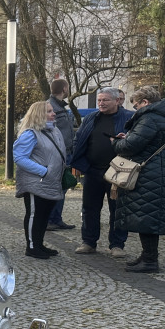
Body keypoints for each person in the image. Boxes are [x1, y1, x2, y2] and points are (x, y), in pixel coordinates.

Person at [111, 86, 165, 273]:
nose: (135, 108)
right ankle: (146, 256)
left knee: (145, 217)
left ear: (145, 102)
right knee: (148, 216)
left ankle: (150, 260)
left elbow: (131, 145)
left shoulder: (150, 118)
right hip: (161, 172)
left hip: (149, 175)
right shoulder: (164, 116)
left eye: (136, 105)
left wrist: (117, 143)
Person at [69, 87, 133, 257]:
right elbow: (79, 139)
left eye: (105, 100)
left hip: (118, 172)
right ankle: (89, 242)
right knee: (90, 208)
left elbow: (136, 141)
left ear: (117, 101)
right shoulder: (91, 118)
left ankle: (117, 245)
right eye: (99, 100)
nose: (101, 103)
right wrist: (82, 162)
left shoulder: (128, 118)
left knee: (118, 209)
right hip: (93, 170)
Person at [13, 100, 65, 259]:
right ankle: (32, 246)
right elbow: (19, 157)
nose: (53, 113)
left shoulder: (53, 131)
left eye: (52, 111)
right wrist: (43, 171)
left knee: (44, 215)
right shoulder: (30, 133)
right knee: (35, 214)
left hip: (50, 181)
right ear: (39, 114)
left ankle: (39, 243)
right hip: (36, 181)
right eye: (49, 111)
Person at [46, 77, 77, 231]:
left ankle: (56, 218)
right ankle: (50, 219)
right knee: (56, 187)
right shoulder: (50, 107)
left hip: (66, 152)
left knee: (62, 187)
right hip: (58, 153)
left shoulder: (60, 107)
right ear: (65, 89)